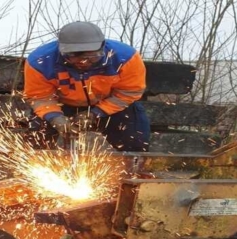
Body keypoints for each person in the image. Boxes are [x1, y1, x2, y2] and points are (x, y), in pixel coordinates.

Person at [23, 21, 150, 152]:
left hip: (110, 105)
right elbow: (40, 97)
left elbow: (129, 92)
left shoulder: (126, 57)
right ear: (63, 51)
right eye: (75, 57)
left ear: (102, 47)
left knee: (135, 140)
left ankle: (133, 169)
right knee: (38, 135)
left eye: (91, 56)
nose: (84, 62)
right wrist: (55, 118)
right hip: (60, 106)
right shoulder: (40, 61)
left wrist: (96, 113)